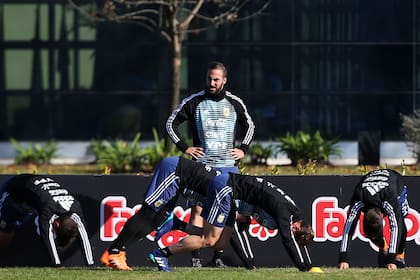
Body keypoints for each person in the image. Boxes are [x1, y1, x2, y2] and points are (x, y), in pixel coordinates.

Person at [166, 61, 255, 267]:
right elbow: (171, 123)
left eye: (216, 79)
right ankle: (195, 257)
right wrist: (184, 147)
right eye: (209, 78)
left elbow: (250, 126)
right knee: (198, 211)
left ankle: (217, 257)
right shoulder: (195, 101)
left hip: (227, 167)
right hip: (202, 167)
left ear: (224, 80)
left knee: (225, 214)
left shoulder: (234, 103)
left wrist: (243, 149)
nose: (212, 82)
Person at [149, 170, 318, 272]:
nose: (291, 232)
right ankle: (161, 254)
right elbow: (288, 240)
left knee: (220, 244)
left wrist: (309, 264)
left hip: (231, 192)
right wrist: (303, 268)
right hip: (226, 188)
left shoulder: (293, 212)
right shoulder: (285, 213)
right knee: (209, 240)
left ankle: (177, 224)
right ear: (296, 226)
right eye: (295, 232)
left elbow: (295, 240)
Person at [100, 156, 220, 270]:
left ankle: (118, 250)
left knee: (157, 220)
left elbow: (211, 237)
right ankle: (114, 251)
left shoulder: (229, 196)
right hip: (174, 171)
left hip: (183, 182)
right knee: (148, 213)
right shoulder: (228, 195)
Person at [0, 174, 94, 267]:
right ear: (56, 224)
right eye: (55, 231)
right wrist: (57, 265)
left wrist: (90, 264)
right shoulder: (48, 209)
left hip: (28, 200)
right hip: (12, 191)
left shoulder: (76, 207)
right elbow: (47, 237)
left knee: (14, 226)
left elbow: (84, 237)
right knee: (5, 235)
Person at [338, 169, 408, 270]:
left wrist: (391, 260)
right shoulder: (359, 196)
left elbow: (397, 226)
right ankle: (384, 247)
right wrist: (343, 259)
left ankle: (400, 255)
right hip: (369, 185)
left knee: (401, 220)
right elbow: (348, 227)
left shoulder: (388, 197)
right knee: (372, 231)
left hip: (396, 183)